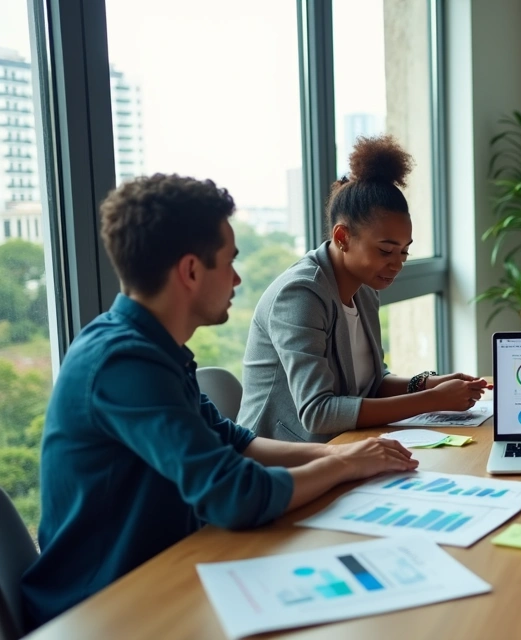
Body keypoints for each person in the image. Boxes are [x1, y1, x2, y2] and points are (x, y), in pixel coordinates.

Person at [21, 175, 419, 629]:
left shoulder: (156, 350)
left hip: (163, 577)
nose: (237, 278)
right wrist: (343, 465)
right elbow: (234, 494)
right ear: (191, 271)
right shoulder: (124, 363)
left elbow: (238, 443)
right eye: (228, 262)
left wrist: (345, 453)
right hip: (101, 609)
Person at [239, 135, 486, 442]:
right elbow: (318, 413)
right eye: (385, 250)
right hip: (285, 463)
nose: (397, 264)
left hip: (346, 447)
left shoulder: (365, 289)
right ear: (342, 237)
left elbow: (372, 384)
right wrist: (432, 401)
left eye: (404, 251)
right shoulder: (300, 295)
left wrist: (428, 384)